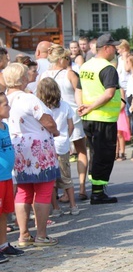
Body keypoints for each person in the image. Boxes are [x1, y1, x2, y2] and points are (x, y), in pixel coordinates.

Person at [4, 63, 60, 247]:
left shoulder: (5, 99)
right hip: (37, 148)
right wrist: (56, 132)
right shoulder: (29, 99)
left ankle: (23, 234)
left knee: (23, 191)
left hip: (16, 147)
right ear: (21, 79)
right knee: (43, 191)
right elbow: (49, 122)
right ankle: (42, 235)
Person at [40, 45, 89, 202]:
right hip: (72, 115)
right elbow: (79, 92)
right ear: (61, 59)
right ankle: (81, 187)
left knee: (55, 155)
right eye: (66, 58)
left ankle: (60, 191)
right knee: (81, 150)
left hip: (52, 118)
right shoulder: (70, 74)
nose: (68, 61)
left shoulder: (44, 75)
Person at [77, 33, 120, 204]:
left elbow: (78, 89)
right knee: (105, 155)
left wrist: (82, 106)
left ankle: (96, 188)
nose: (116, 50)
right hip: (103, 118)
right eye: (114, 47)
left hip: (88, 118)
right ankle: (97, 193)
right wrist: (91, 107)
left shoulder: (86, 66)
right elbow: (109, 94)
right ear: (106, 48)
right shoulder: (108, 68)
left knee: (95, 153)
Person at [36, 78, 79, 216]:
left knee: (51, 179)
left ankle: (56, 208)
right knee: (66, 177)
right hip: (62, 145)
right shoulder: (65, 105)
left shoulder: (41, 107)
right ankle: (73, 206)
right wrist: (66, 137)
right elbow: (71, 125)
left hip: (47, 146)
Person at [0, 92, 25, 262]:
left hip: (7, 177)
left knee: (4, 213)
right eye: (5, 104)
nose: (8, 107)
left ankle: (3, 244)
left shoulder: (5, 126)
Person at [115, 40, 132, 161]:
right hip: (120, 86)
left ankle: (122, 152)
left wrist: (126, 57)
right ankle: (116, 152)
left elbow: (126, 69)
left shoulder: (127, 58)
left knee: (121, 128)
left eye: (120, 49)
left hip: (126, 88)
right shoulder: (119, 59)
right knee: (116, 132)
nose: (118, 51)